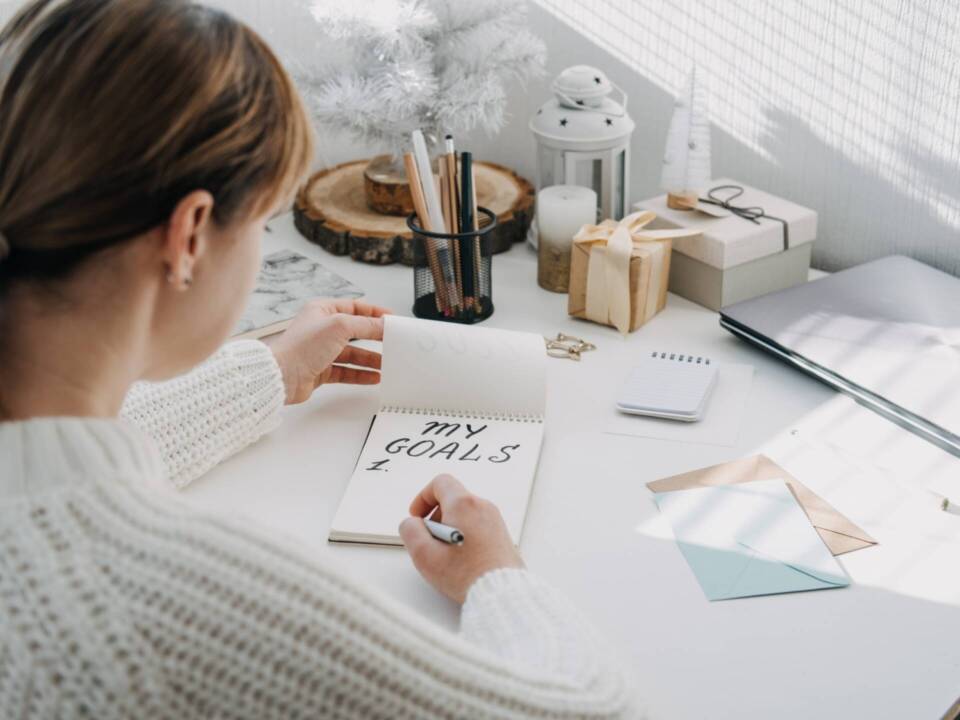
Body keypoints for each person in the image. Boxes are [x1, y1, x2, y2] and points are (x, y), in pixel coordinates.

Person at [0, 1, 638, 717]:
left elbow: (56, 469)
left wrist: (270, 371)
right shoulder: (168, 604)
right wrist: (495, 576)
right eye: (264, 223)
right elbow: (589, 710)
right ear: (189, 237)